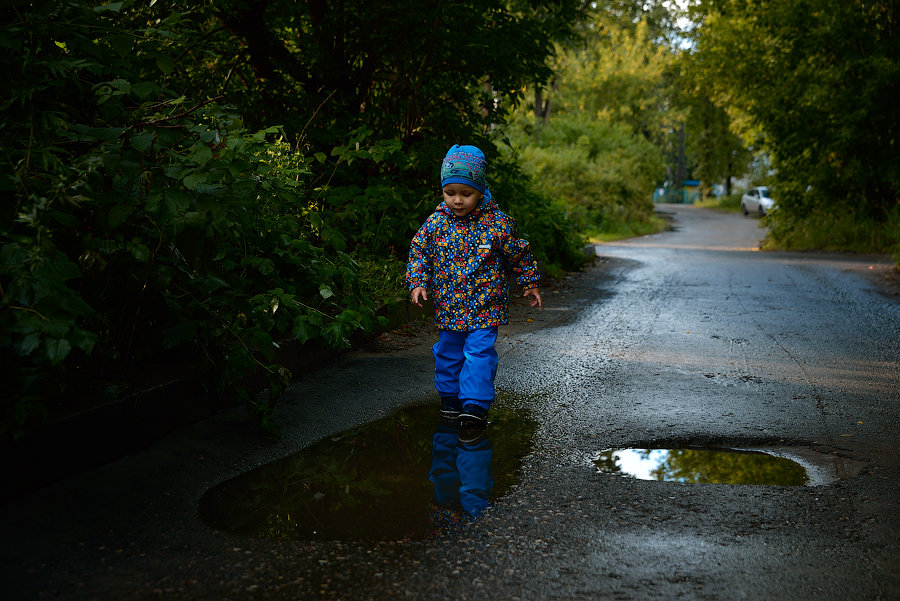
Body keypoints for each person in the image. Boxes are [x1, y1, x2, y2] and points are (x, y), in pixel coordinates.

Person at [406, 144, 542, 443]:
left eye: (465, 193)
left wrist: (529, 281)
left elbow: (517, 254)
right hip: (449, 306)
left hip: (485, 306)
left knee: (478, 355)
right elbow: (420, 253)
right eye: (449, 192)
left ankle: (474, 407)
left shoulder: (497, 223)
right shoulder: (435, 224)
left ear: (480, 190)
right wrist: (418, 281)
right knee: (448, 354)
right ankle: (451, 400)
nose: (456, 200)